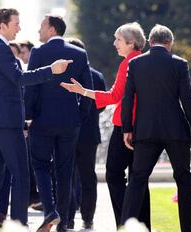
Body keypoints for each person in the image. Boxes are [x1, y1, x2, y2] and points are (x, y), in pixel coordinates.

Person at [0, 8, 72, 227]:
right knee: (21, 176)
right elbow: (19, 78)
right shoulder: (0, 49)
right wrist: (52, 69)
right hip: (7, 124)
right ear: (2, 25)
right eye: (16, 23)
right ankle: (19, 225)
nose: (19, 28)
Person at [60, 22, 151, 230]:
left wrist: (82, 91)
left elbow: (113, 96)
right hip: (143, 128)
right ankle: (141, 224)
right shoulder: (144, 61)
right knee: (138, 179)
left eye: (118, 40)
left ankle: (125, 221)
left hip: (124, 127)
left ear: (131, 42)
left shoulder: (128, 63)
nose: (114, 43)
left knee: (113, 175)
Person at [120, 24, 191, 232]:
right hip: (176, 131)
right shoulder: (179, 64)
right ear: (170, 44)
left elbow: (128, 98)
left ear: (150, 42)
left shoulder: (136, 63)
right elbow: (188, 99)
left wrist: (127, 129)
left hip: (146, 131)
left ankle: (125, 227)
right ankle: (187, 230)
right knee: (184, 179)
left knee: (137, 179)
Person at [24, 15, 93, 232]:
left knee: (40, 166)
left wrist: (28, 118)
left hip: (42, 121)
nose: (38, 30)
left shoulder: (38, 52)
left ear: (52, 29)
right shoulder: (80, 54)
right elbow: (88, 91)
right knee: (64, 172)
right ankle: (63, 222)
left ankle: (50, 212)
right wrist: (79, 117)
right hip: (69, 123)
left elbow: (31, 88)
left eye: (41, 26)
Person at [65, 37, 106, 230]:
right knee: (88, 176)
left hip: (67, 133)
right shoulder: (96, 76)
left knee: (66, 176)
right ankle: (88, 217)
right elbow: (102, 105)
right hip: (89, 133)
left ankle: (69, 218)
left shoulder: (63, 75)